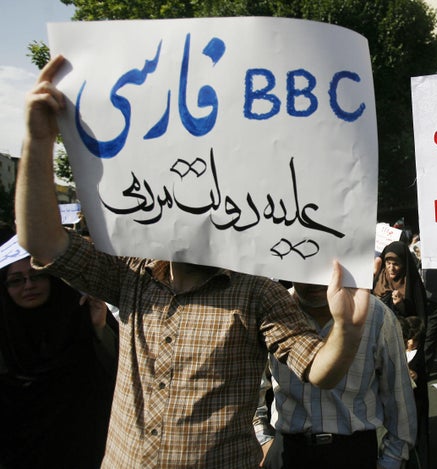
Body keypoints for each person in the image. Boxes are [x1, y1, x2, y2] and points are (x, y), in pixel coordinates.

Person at [18, 54, 370, 468]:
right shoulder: (130, 274)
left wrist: (345, 330)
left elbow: (318, 369)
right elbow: (43, 241)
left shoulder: (256, 291)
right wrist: (38, 141)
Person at [256, 282, 416, 469]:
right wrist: (263, 442)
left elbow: (400, 401)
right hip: (288, 452)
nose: (314, 279)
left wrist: (391, 461)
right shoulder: (272, 310)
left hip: (352, 453)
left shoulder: (376, 315)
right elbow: (247, 389)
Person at [0, 253, 118, 469]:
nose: (28, 286)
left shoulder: (81, 316)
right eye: (16, 280)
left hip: (83, 448)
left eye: (37, 276)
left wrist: (98, 327)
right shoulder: (5, 337)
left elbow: (117, 372)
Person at [374, 240, 429, 469]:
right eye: (388, 262)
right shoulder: (380, 284)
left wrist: (403, 306)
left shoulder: (413, 285)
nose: (391, 268)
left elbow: (421, 321)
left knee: (411, 410)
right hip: (383, 355)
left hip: (410, 355)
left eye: (396, 263)